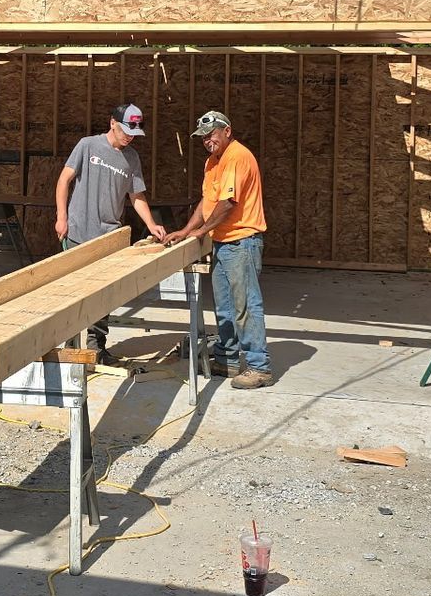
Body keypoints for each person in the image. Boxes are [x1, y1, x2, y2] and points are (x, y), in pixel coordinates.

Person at [165, 110, 271, 388]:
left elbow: (228, 203)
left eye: (211, 134)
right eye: (203, 137)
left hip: (242, 241)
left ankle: (259, 367)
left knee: (245, 305)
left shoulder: (237, 156)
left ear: (227, 131)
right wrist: (188, 230)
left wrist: (201, 231)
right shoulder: (213, 162)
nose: (207, 141)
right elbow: (207, 201)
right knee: (224, 306)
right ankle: (228, 359)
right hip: (223, 242)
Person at [55, 103, 168, 359]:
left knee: (103, 296)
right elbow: (64, 180)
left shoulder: (132, 158)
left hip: (109, 238)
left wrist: (151, 224)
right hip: (78, 232)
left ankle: (96, 347)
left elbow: (136, 195)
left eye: (134, 133)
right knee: (72, 292)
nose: (129, 137)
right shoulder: (88, 146)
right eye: (126, 130)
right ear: (112, 123)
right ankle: (70, 347)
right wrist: (61, 217)